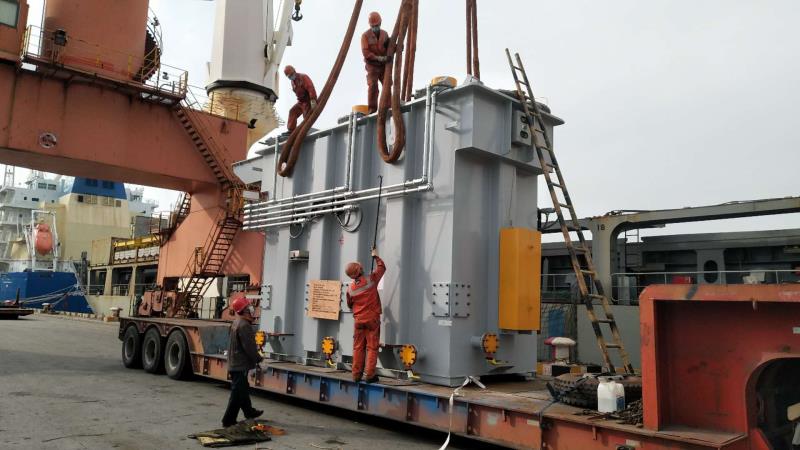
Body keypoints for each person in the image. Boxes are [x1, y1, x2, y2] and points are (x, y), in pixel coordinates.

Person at [221, 296, 263, 428]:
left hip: (235, 363)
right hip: (239, 365)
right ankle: (228, 420)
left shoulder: (237, 322)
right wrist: (258, 358)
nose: (251, 309)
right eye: (248, 307)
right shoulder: (244, 325)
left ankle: (249, 412)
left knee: (242, 389)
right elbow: (249, 347)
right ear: (243, 310)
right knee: (237, 393)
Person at [345, 248, 386, 383]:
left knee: (358, 347)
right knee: (372, 347)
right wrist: (375, 256)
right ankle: (369, 375)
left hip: (358, 320)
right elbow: (382, 268)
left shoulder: (350, 288)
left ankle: (356, 375)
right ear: (360, 270)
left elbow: (350, 305)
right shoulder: (371, 280)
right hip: (372, 320)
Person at [360, 12, 390, 114]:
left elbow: (388, 47)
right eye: (373, 26)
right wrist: (378, 58)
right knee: (373, 85)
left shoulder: (384, 34)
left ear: (380, 23)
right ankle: (372, 109)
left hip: (383, 65)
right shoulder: (365, 36)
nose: (375, 28)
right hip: (372, 65)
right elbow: (366, 52)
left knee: (387, 84)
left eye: (376, 25)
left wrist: (396, 46)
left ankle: (388, 104)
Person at [284, 65, 317, 133]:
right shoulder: (292, 82)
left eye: (291, 75)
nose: (291, 77)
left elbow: (310, 87)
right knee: (292, 111)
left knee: (306, 117)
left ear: (294, 71)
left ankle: (305, 130)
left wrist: (313, 100)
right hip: (301, 101)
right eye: (289, 76)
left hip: (308, 101)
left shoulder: (303, 77)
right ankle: (291, 130)